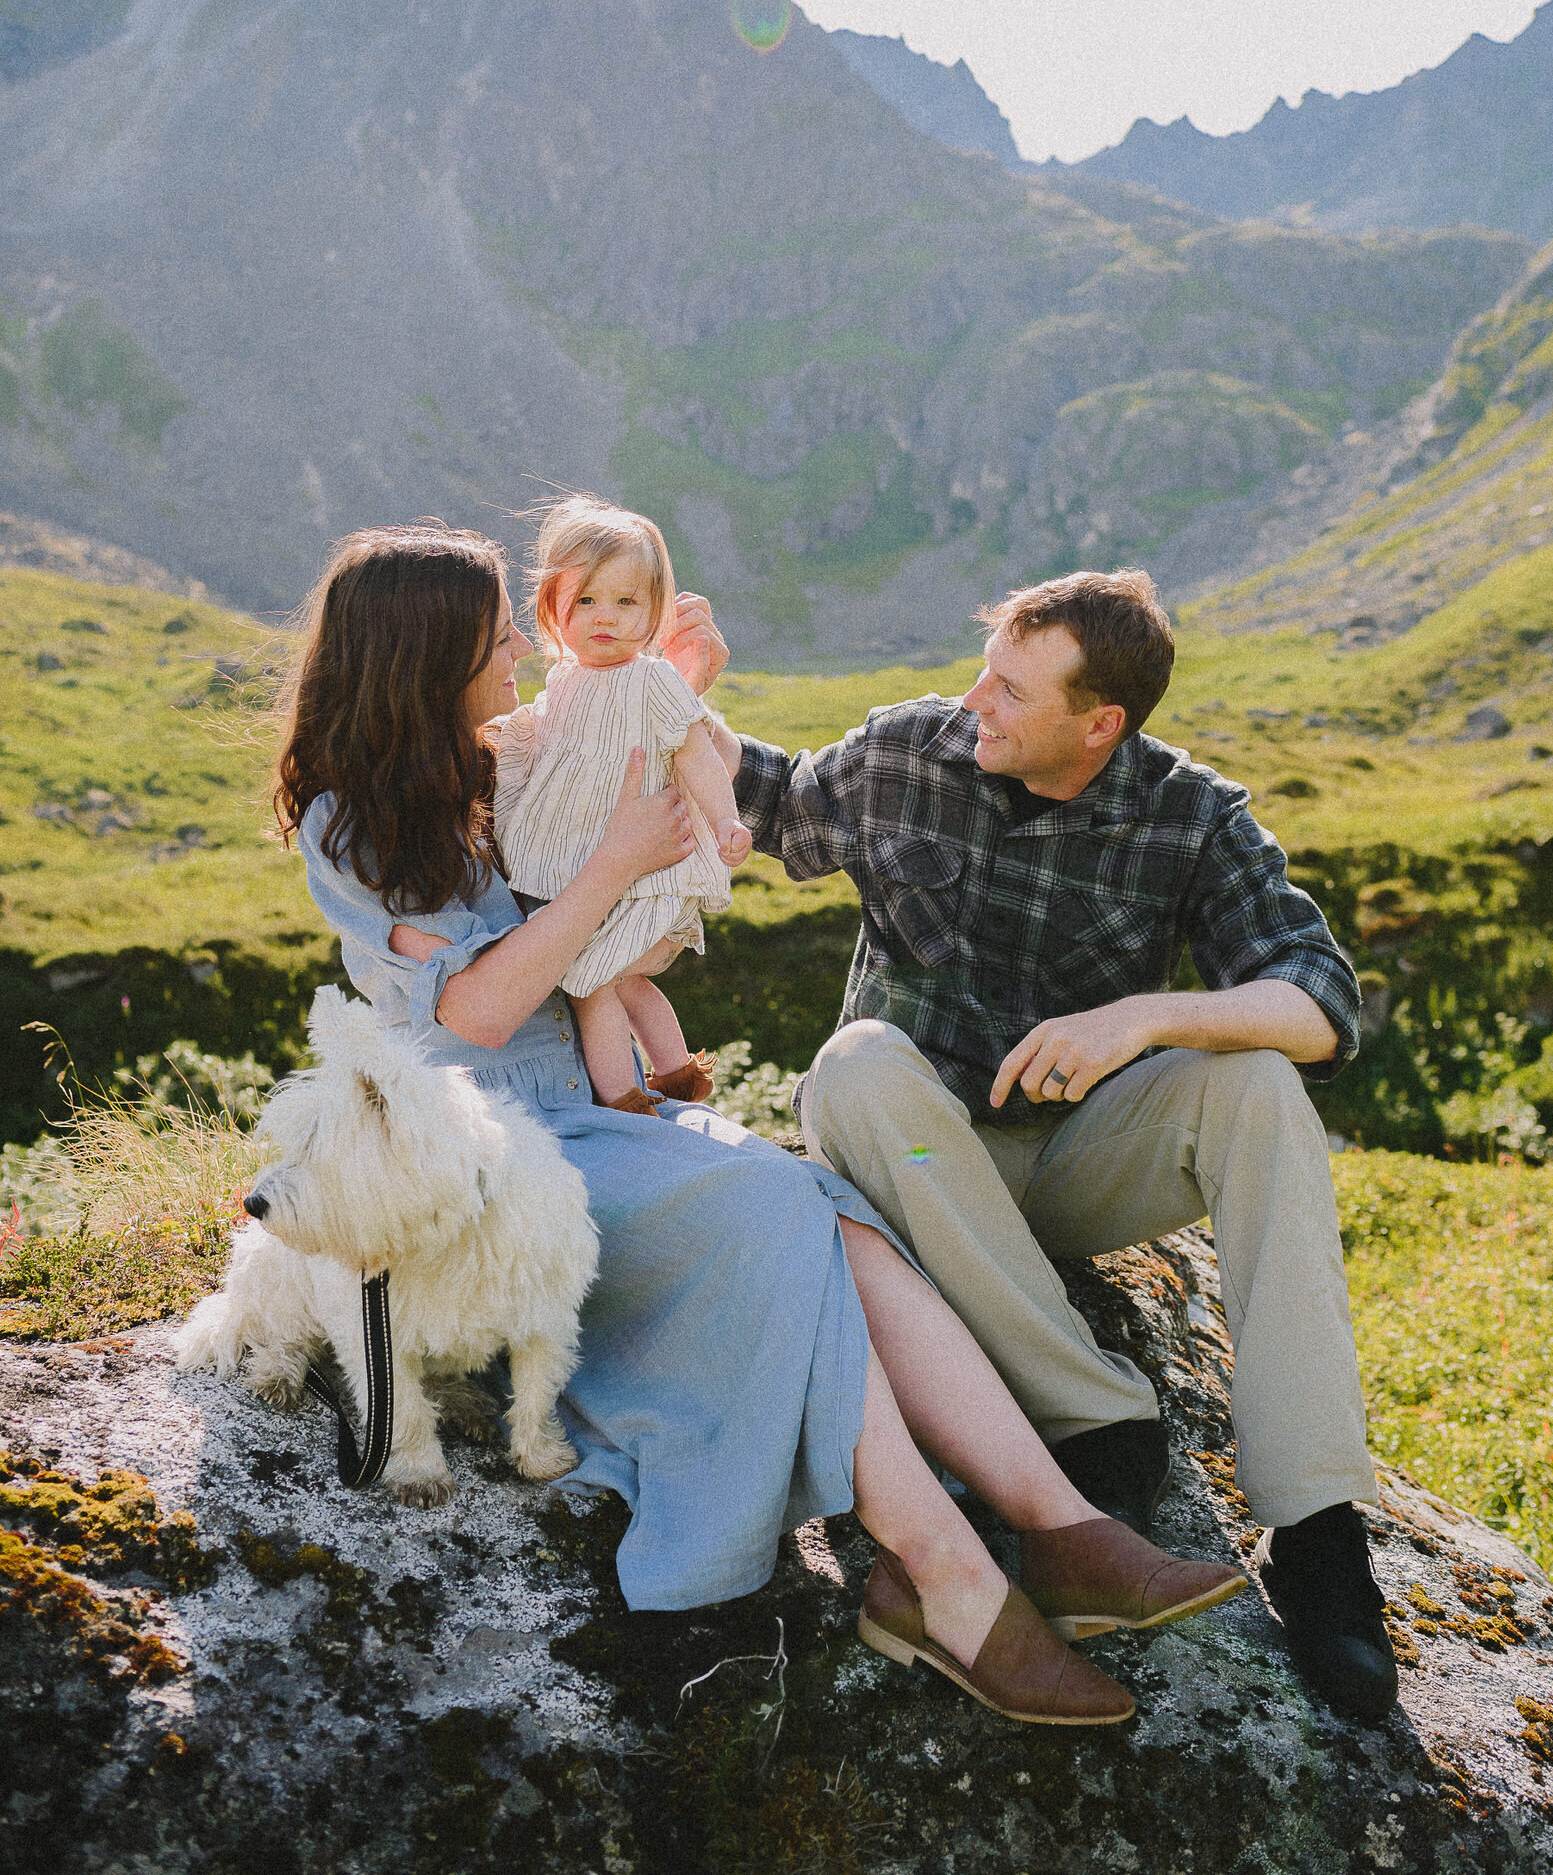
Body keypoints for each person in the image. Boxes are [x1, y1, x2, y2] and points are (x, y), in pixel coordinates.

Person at [272, 522, 1248, 1728]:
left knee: (838, 1225)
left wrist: (671, 684)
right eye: (493, 638)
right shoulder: (349, 823)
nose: (521, 647)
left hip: (598, 1121)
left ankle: (1060, 1529)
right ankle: (942, 1574)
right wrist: (612, 863)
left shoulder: (501, 760)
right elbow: (474, 1014)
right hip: (493, 1152)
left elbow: (613, 744)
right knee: (781, 1207)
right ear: (419, 660)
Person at [716, 566, 1400, 1722]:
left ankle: (1320, 1531)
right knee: (851, 1066)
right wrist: (640, 688)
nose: (973, 699)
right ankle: (1099, 1419)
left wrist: (1142, 1017)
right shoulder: (907, 754)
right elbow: (767, 802)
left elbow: (1320, 1002)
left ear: (1100, 724)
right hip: (919, 1170)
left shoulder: (1193, 815)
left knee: (1261, 1090)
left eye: (1011, 690)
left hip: (1073, 1161)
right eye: (984, 667)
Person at [493, 495, 748, 1113]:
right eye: (585, 600)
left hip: (635, 864)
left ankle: (624, 1100)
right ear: (553, 607)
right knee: (620, 978)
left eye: (626, 601)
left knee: (594, 981)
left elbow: (694, 754)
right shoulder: (561, 681)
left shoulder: (653, 680)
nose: (603, 617)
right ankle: (676, 1076)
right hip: (579, 860)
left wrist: (726, 821)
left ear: (655, 612)